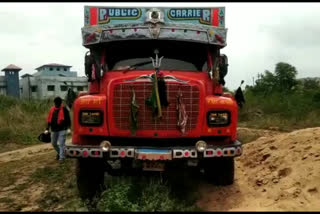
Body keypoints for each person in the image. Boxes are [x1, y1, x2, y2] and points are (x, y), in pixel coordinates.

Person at [45, 97, 71, 162]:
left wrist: (68, 128)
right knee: (53, 143)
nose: (56, 104)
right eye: (55, 103)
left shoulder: (64, 109)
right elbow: (49, 120)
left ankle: (61, 158)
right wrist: (47, 129)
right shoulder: (52, 109)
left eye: (58, 103)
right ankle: (60, 153)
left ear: (60, 103)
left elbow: (68, 119)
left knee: (62, 144)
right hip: (54, 129)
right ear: (54, 103)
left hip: (62, 129)